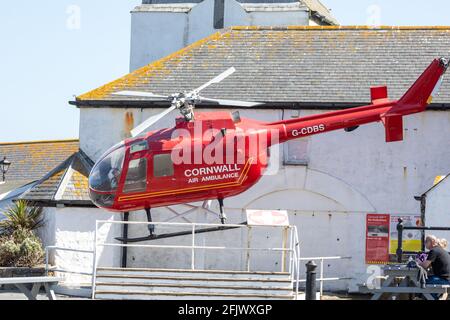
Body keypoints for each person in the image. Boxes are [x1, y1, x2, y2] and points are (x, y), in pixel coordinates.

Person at [418, 235, 450, 299]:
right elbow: (428, 265)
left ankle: (429, 297)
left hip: (443, 279)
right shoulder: (439, 250)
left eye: (426, 241)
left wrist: (417, 263)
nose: (425, 243)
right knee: (424, 281)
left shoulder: (433, 251)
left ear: (432, 242)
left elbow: (425, 265)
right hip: (446, 278)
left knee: (421, 282)